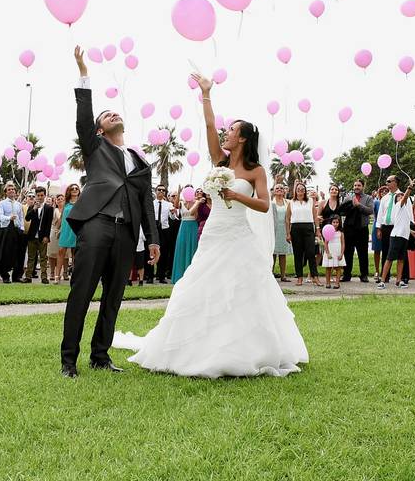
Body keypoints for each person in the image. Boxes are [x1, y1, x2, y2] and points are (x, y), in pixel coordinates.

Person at [113, 70, 308, 378]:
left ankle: (246, 349)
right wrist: (206, 93)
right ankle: (198, 346)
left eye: (231, 131)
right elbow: (208, 124)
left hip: (239, 235)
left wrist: (234, 194)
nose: (225, 134)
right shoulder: (219, 160)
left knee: (242, 289)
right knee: (202, 285)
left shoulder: (255, 170)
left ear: (242, 138)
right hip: (214, 233)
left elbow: (264, 204)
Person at [61, 47, 160, 378]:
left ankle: (100, 355)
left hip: (127, 232)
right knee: (83, 292)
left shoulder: (139, 160)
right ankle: (68, 360)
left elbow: (146, 202)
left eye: (115, 113)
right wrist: (83, 72)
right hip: (97, 225)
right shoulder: (95, 147)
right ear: (99, 130)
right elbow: (83, 116)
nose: (113, 114)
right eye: (106, 115)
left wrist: (153, 239)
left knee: (113, 296)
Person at [376, 178, 415, 289]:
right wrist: (410, 187)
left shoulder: (403, 198)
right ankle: (383, 279)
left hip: (403, 231)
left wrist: (411, 228)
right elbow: (380, 214)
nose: (387, 183)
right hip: (393, 231)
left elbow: (409, 215)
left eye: (389, 181)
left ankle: (401, 279)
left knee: (402, 258)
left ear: (396, 182)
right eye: (386, 181)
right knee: (388, 256)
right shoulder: (395, 202)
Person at [286, 182, 319, 286]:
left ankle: (315, 277)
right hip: (295, 229)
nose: (300, 191)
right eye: (298, 189)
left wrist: (317, 229)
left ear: (305, 191)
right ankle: (299, 277)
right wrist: (288, 233)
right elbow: (287, 219)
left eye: (302, 189)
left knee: (310, 253)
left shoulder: (310, 201)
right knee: (298, 254)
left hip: (308, 227)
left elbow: (315, 216)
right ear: (295, 190)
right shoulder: (291, 202)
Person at [341, 179, 374, 282]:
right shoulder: (348, 198)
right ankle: (347, 275)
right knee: (348, 253)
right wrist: (351, 205)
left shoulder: (368, 198)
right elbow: (341, 211)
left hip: (362, 229)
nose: (356, 187)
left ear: (363, 187)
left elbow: (370, 211)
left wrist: (358, 205)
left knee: (363, 253)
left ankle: (364, 275)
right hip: (349, 229)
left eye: (359, 185)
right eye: (355, 185)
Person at [23, 185, 54, 284]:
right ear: (36, 196)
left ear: (44, 195)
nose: (40, 197)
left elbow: (49, 224)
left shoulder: (49, 208)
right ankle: (28, 276)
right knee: (31, 257)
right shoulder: (32, 206)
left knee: (43, 257)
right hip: (32, 236)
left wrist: (47, 236)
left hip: (42, 236)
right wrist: (34, 209)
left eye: (41, 195)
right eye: (38, 195)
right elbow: (27, 218)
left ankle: (44, 277)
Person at [0, 182, 24, 283]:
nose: (11, 191)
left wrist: (22, 228)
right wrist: (8, 218)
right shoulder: (1, 204)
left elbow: (21, 217)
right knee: (5, 253)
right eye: (9, 189)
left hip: (17, 230)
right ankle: (5, 276)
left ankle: (16, 276)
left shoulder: (18, 205)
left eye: (13, 189)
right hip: (6, 230)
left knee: (18, 254)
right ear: (5, 192)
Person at [171, 186, 200, 284]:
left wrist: (196, 202)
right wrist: (178, 192)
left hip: (193, 227)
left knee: (192, 248)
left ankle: (191, 276)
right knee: (182, 248)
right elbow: (175, 206)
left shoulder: (197, 202)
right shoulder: (181, 203)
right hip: (183, 227)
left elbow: (195, 215)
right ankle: (180, 275)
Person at [151, 185, 175, 283]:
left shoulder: (168, 204)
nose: (161, 191)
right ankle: (149, 276)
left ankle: (161, 276)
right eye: (159, 190)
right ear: (156, 191)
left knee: (164, 253)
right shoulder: (151, 204)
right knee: (152, 252)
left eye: (163, 190)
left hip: (164, 230)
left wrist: (173, 213)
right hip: (154, 229)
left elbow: (173, 218)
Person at [269, 184, 292, 282]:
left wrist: (288, 233)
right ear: (273, 191)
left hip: (284, 230)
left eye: (281, 188)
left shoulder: (288, 202)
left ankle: (283, 275)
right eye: (277, 188)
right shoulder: (270, 202)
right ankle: (270, 274)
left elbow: (289, 218)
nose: (279, 189)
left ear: (284, 191)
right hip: (273, 230)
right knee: (272, 253)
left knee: (283, 253)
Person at [58, 183, 80, 282]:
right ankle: (57, 276)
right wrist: (58, 229)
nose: (75, 190)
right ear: (69, 191)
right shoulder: (66, 203)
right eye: (72, 189)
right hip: (66, 230)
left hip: (77, 230)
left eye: (76, 188)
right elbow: (61, 217)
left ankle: (75, 277)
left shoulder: (82, 202)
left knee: (75, 254)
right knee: (61, 251)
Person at [322, 215, 345, 288]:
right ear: (331, 223)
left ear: (339, 223)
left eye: (337, 222)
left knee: (338, 268)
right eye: (334, 222)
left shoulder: (341, 233)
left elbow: (343, 244)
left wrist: (341, 253)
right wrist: (327, 253)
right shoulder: (328, 231)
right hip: (330, 251)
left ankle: (337, 283)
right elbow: (325, 243)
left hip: (338, 251)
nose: (335, 224)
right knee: (328, 268)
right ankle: (328, 283)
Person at [48, 193, 64, 283]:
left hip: (64, 232)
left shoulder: (67, 210)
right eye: (58, 199)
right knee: (51, 253)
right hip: (54, 231)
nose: (60, 200)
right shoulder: (53, 210)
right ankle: (52, 272)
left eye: (62, 198)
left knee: (61, 253)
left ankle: (59, 273)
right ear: (56, 201)